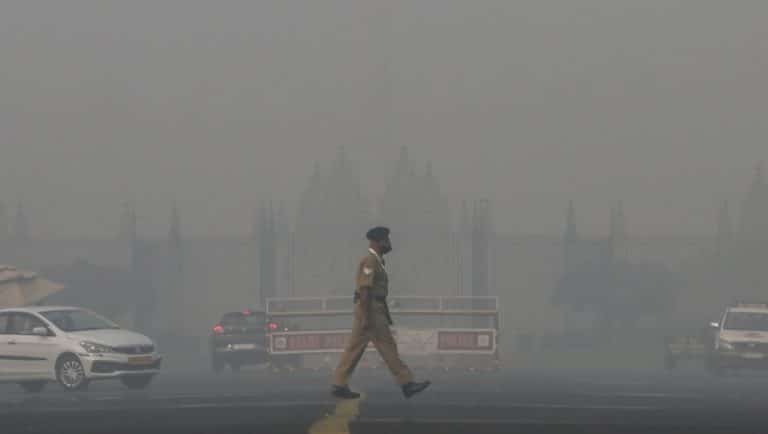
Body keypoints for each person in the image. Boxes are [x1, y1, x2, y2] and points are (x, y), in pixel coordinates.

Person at [331, 226, 431, 399]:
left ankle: (339, 384)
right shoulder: (370, 261)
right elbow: (365, 289)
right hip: (371, 308)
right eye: (387, 240)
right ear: (379, 242)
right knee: (387, 347)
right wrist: (367, 316)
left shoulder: (377, 261)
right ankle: (407, 383)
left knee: (354, 348)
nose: (389, 243)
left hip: (371, 308)